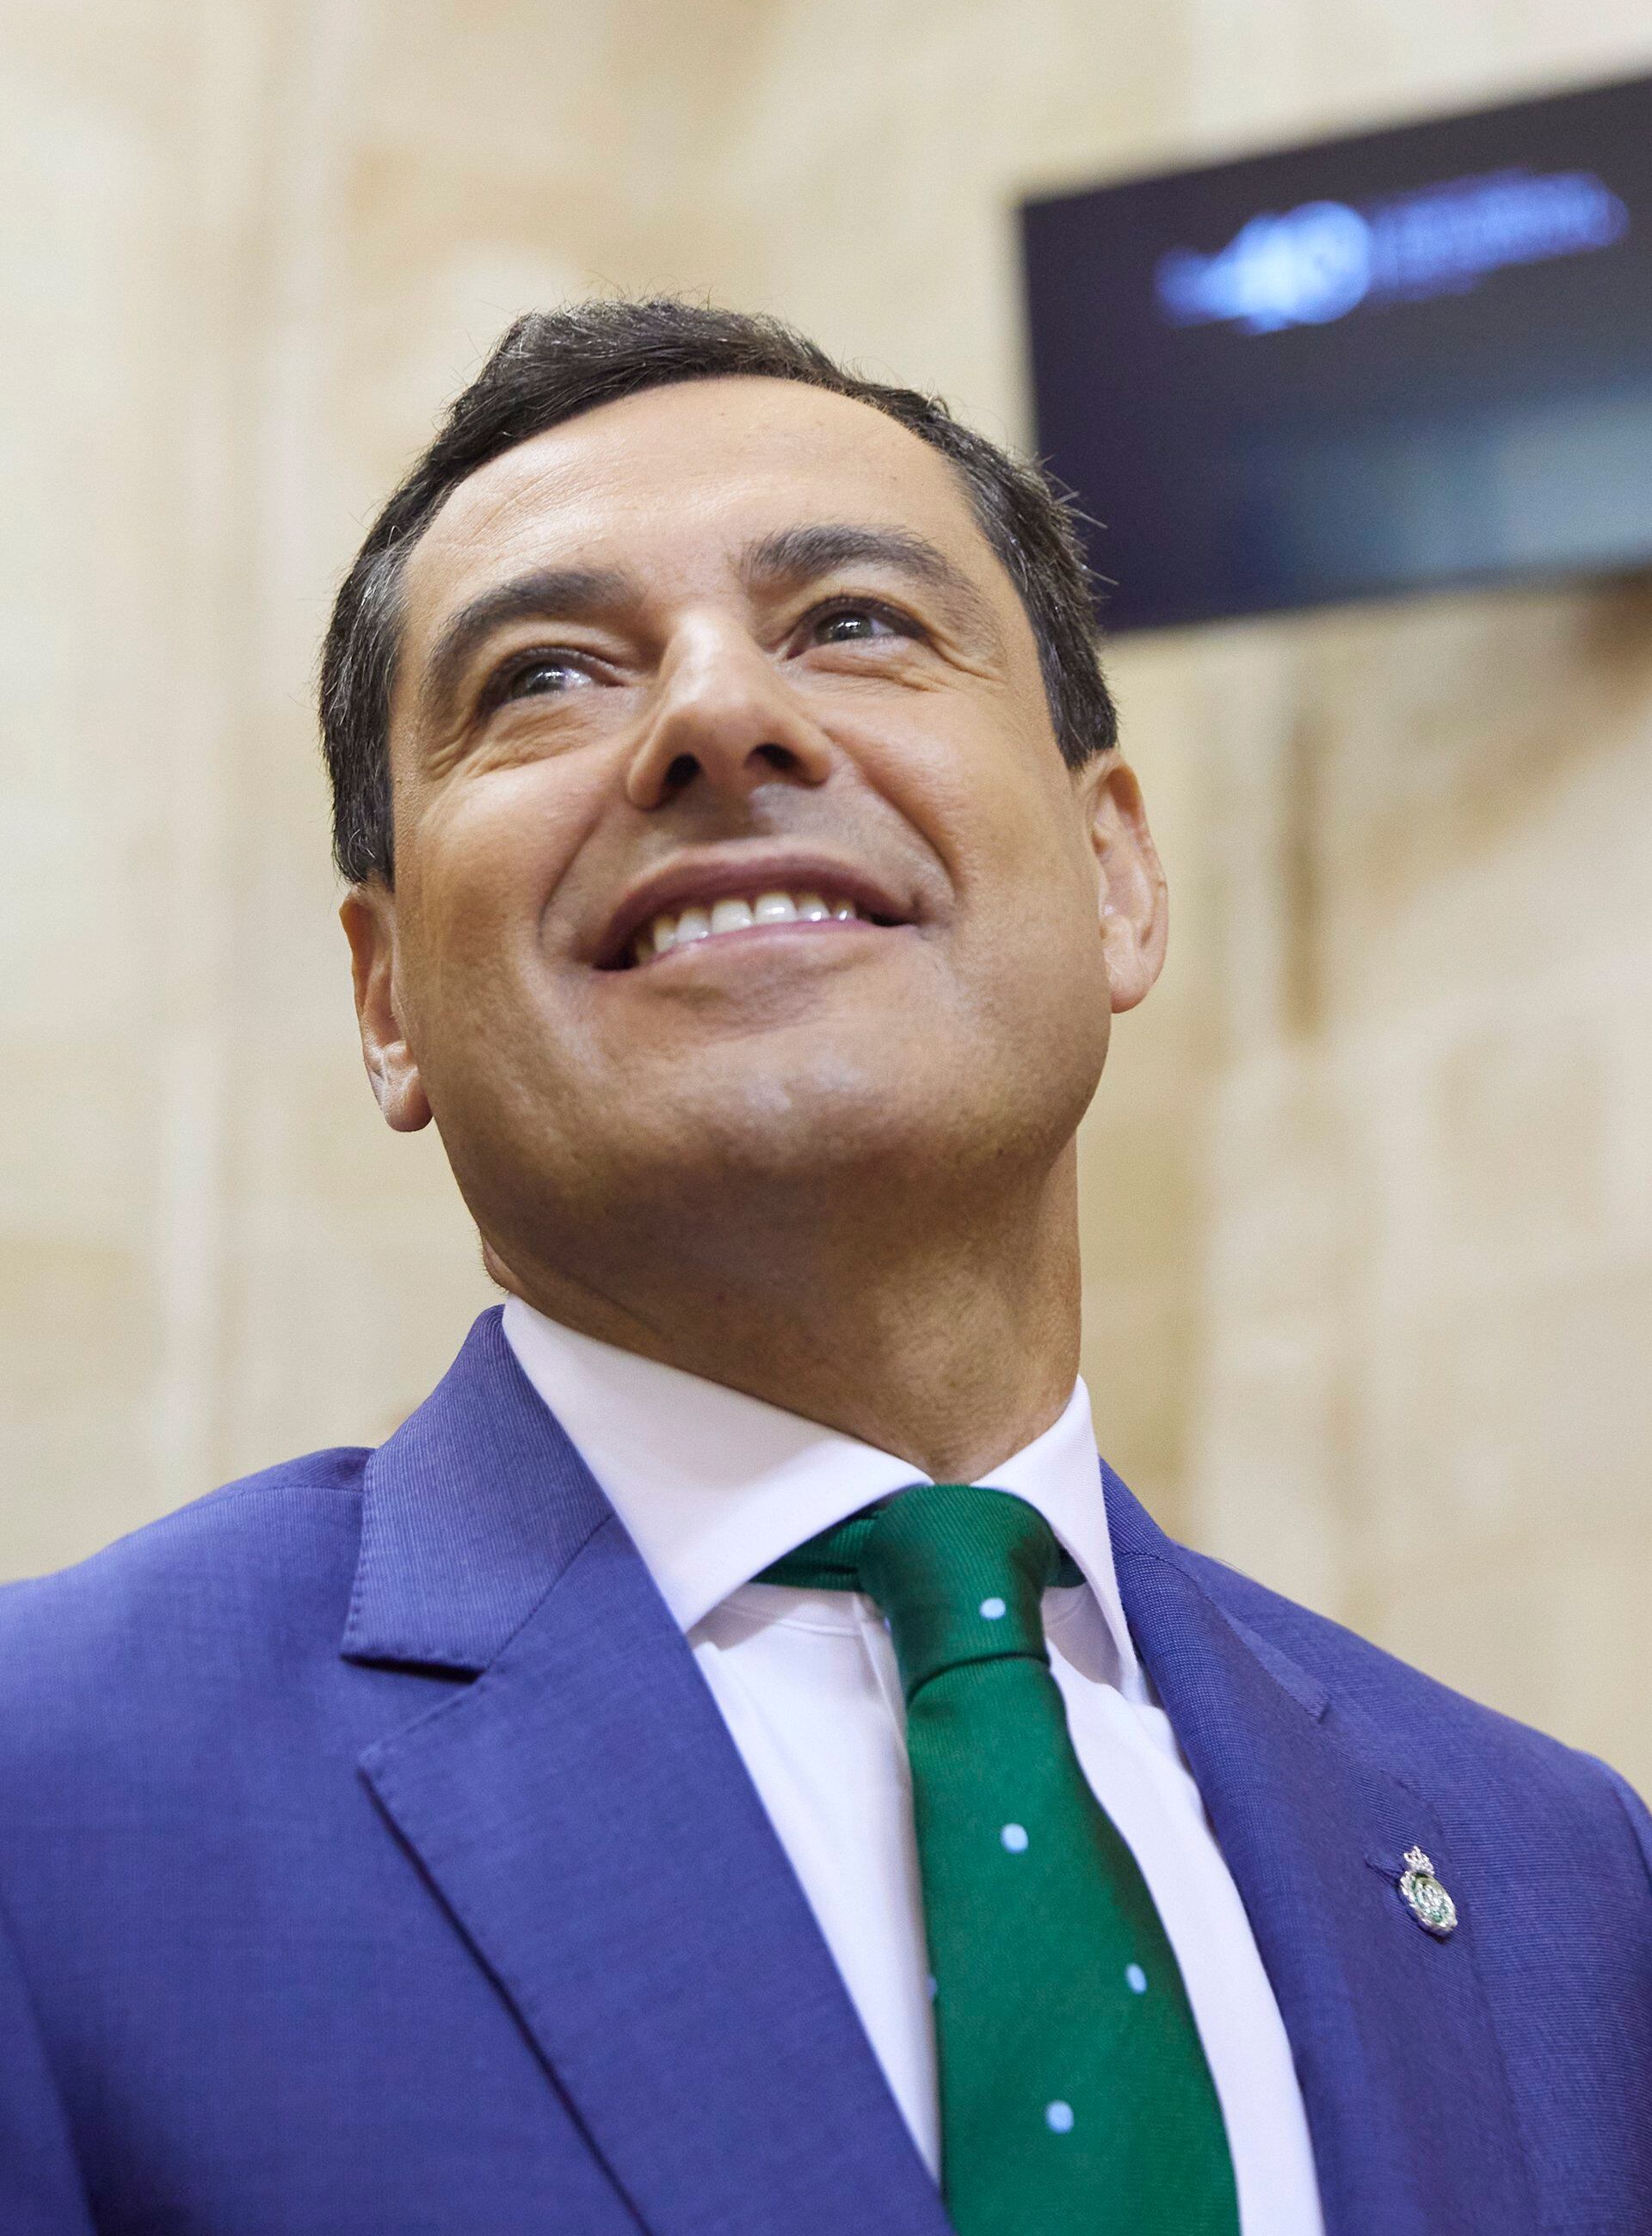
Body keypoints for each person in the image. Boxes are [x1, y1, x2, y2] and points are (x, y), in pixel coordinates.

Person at [1, 299, 1648, 2236]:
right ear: (386, 1006)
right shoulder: (56, 1794)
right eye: (543, 674)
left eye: (855, 623)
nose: (713, 717)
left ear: (1119, 875)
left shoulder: (1565, 1886)